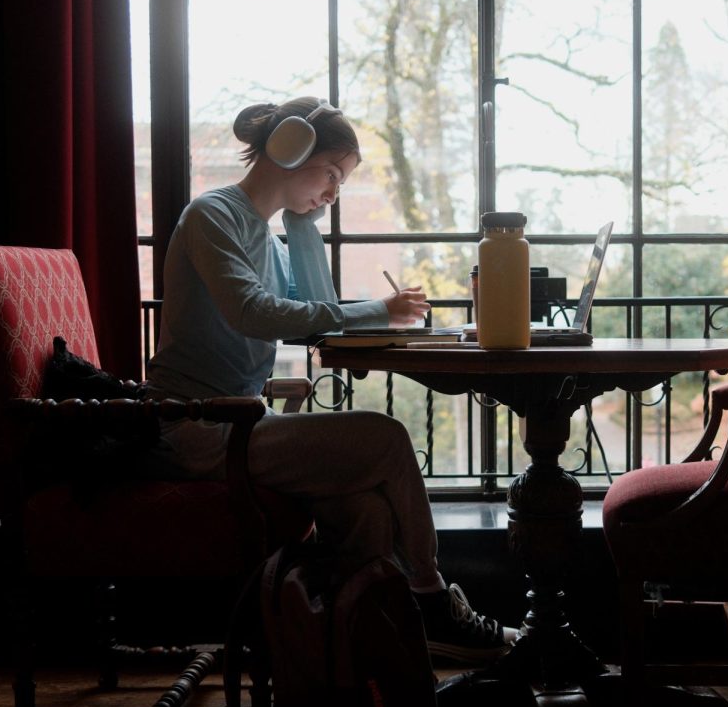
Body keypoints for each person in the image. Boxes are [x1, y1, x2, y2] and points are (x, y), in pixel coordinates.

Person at [144, 96, 514, 664]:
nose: (334, 193)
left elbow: (314, 308)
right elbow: (255, 313)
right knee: (386, 438)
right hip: (196, 425)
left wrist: (301, 223)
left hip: (238, 419)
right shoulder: (211, 216)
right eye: (333, 174)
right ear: (290, 150)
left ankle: (370, 637)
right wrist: (376, 310)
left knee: (364, 504)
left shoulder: (267, 234)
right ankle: (430, 597)